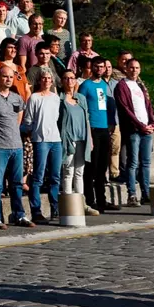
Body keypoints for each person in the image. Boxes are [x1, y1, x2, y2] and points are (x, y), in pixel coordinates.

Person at [0, 63, 32, 229]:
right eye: (5, 76)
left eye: (11, 77)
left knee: (17, 183)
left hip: (16, 146)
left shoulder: (17, 98)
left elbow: (18, 120)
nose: (8, 79)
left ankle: (20, 215)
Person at [114, 57, 154, 207]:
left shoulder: (140, 86)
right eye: (131, 67)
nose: (134, 70)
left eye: (137, 68)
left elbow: (148, 106)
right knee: (133, 163)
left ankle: (146, 194)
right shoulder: (122, 86)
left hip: (146, 129)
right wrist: (139, 125)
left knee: (146, 163)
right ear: (126, 68)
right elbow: (125, 109)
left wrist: (152, 123)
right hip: (133, 130)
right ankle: (132, 194)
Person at [24, 71, 63, 224]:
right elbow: (28, 119)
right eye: (44, 78)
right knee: (38, 176)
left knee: (55, 176)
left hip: (56, 140)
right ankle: (36, 210)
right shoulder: (34, 98)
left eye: (49, 78)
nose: (47, 81)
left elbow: (56, 117)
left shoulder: (55, 98)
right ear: (39, 80)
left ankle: (55, 208)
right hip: (40, 140)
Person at [77, 55, 113, 213]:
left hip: (104, 128)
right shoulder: (85, 85)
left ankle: (102, 199)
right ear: (91, 68)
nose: (99, 69)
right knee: (92, 166)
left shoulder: (105, 85)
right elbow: (81, 107)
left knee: (102, 167)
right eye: (96, 66)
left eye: (102, 67)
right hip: (92, 129)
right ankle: (90, 200)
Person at [59, 69, 95, 214]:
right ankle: (68, 204)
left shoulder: (81, 98)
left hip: (82, 139)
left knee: (80, 172)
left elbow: (86, 119)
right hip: (68, 140)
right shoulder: (60, 99)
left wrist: (90, 138)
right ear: (62, 81)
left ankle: (81, 203)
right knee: (68, 171)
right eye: (66, 78)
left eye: (72, 78)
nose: (70, 81)